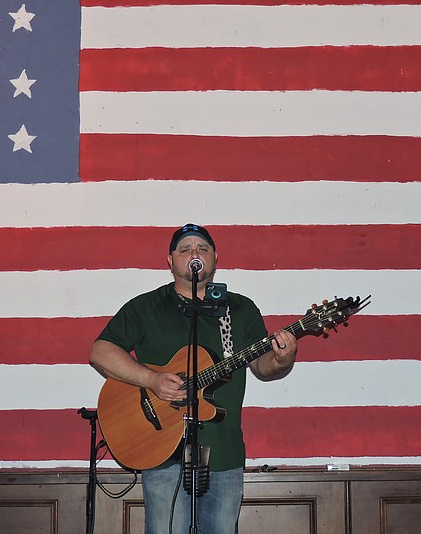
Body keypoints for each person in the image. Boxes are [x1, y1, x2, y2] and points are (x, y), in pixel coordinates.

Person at [89, 223, 297, 533]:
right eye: (185, 249)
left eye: (202, 248)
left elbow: (262, 368)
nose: (194, 253)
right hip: (160, 452)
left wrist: (283, 358)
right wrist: (151, 380)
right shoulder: (146, 307)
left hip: (224, 453)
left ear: (215, 258)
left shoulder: (239, 309)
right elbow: (100, 352)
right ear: (170, 261)